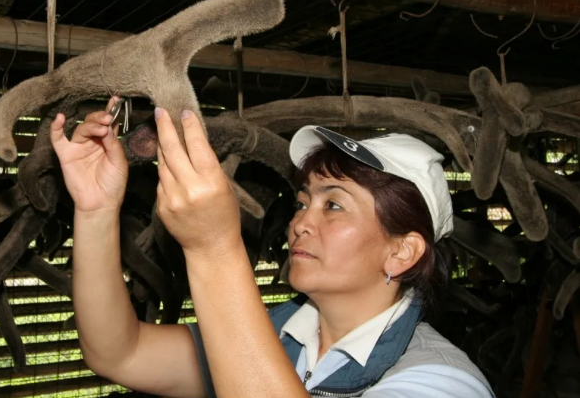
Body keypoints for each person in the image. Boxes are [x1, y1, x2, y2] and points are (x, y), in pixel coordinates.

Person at [50, 96, 496, 398]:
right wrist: (95, 211)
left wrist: (214, 249)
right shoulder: (284, 333)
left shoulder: (439, 381)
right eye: (304, 202)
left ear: (402, 252)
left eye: (334, 205)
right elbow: (120, 353)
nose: (301, 221)